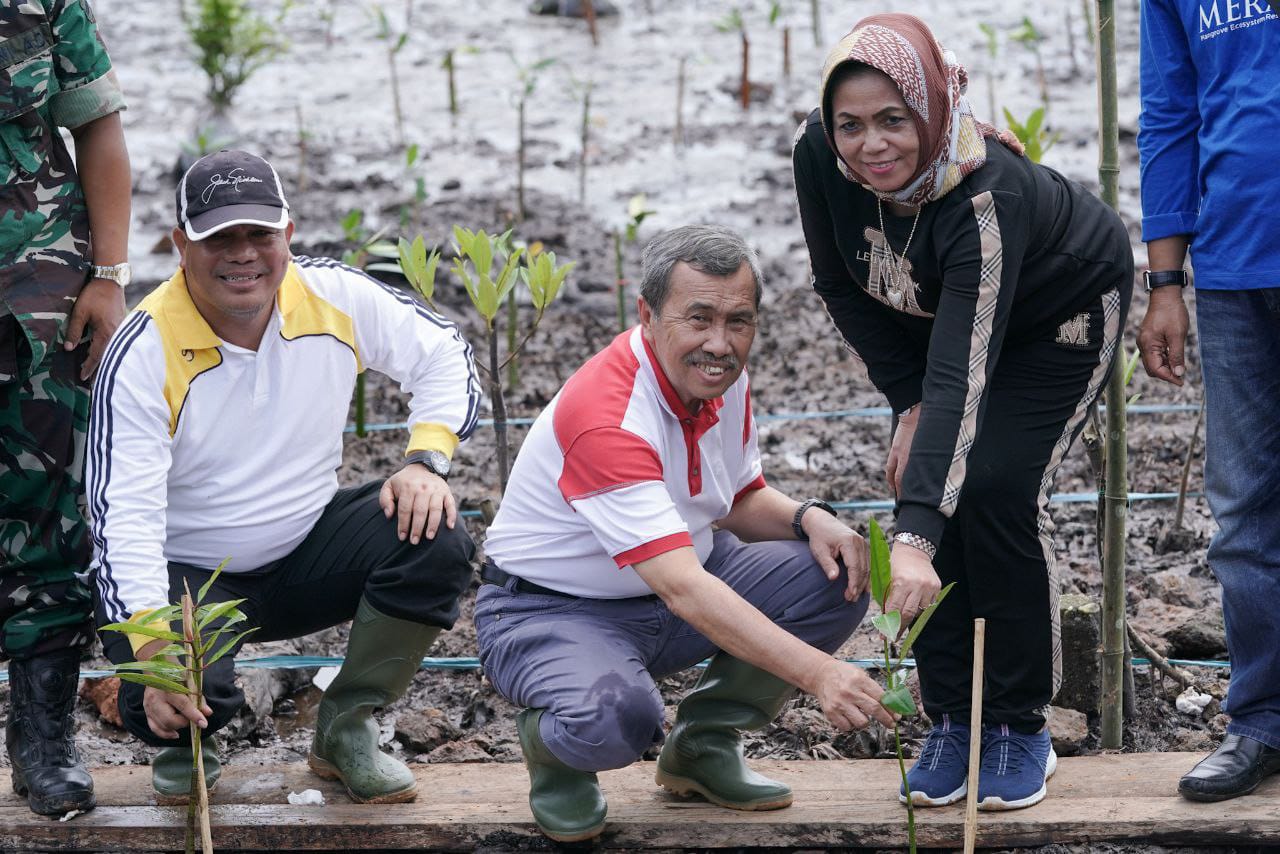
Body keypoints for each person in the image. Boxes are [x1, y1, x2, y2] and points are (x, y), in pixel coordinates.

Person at [792, 14, 1132, 811]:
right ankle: (952, 716)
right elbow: (841, 283)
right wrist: (905, 400)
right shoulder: (819, 155)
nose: (871, 144)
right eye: (852, 125)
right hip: (947, 315)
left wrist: (911, 541)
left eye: (893, 120)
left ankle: (1017, 724)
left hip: (1060, 313)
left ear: (932, 108)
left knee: (993, 489)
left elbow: (963, 378)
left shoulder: (985, 197)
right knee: (928, 472)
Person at [476, 224, 895, 843]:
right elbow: (684, 589)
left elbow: (733, 499)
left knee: (836, 574)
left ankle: (702, 746)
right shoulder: (609, 417)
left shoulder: (718, 379)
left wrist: (811, 518)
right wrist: (820, 675)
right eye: (697, 319)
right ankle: (557, 753)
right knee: (618, 718)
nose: (720, 345)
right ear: (647, 314)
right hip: (553, 610)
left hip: (682, 583)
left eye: (739, 322)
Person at [87, 150, 480, 805]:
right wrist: (156, 659)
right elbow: (119, 517)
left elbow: (443, 353)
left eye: (259, 235)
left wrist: (425, 459)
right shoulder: (145, 347)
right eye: (219, 238)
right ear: (181, 245)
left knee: (435, 536)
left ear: (287, 236)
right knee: (180, 688)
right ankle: (188, 743)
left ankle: (346, 729)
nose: (243, 254)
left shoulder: (332, 295)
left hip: (305, 548)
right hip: (189, 570)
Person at [1136, 0, 1280, 802]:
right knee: (1244, 512)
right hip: (1234, 269)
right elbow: (1170, 112)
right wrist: (1164, 283)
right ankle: (1260, 721)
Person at [2, 0, 131, 817]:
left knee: (47, 520)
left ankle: (44, 736)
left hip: (38, 295)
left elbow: (99, 126)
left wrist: (111, 273)